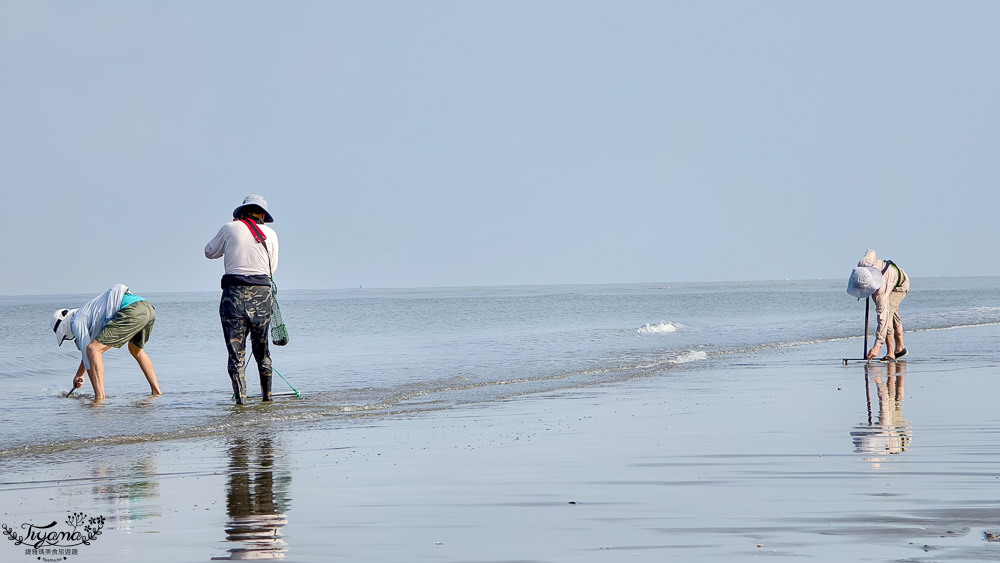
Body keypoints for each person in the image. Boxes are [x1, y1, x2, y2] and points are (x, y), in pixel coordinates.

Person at [205, 195, 279, 405]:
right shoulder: (272, 234)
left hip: (233, 295)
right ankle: (268, 399)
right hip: (261, 294)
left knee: (236, 353)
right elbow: (271, 269)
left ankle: (241, 404)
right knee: (262, 351)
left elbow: (209, 252)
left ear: (241, 213)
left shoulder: (229, 228)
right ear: (262, 215)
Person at [50, 284, 162, 400]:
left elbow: (89, 352)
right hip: (146, 308)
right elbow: (89, 355)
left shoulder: (77, 321)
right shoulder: (90, 315)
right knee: (135, 350)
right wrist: (80, 374)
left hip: (131, 310)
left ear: (64, 324)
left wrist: (84, 375)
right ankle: (156, 391)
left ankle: (99, 398)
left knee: (93, 349)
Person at [847, 249, 910, 361]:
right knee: (892, 313)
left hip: (900, 285)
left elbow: (883, 320)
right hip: (891, 278)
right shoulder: (863, 265)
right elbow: (871, 252)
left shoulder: (880, 291)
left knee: (888, 315)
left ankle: (890, 353)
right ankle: (900, 348)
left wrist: (877, 346)